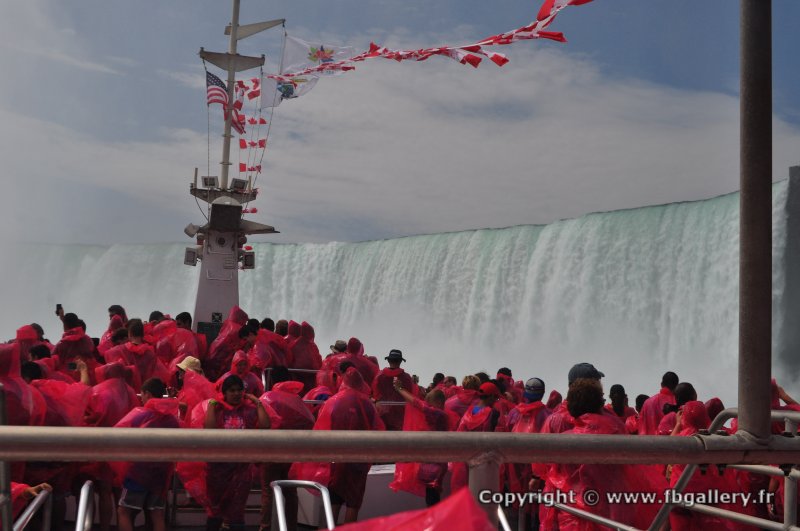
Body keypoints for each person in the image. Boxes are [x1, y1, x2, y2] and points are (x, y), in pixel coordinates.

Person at [291, 367, 384, 524]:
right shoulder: (368, 404)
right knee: (353, 504)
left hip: (337, 459)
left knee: (334, 501)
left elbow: (321, 427)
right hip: (360, 460)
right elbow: (378, 429)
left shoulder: (333, 401)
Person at [204, 375, 270, 531]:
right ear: (224, 392)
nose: (236, 394)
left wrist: (258, 402)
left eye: (239, 390)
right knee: (215, 511)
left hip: (241, 470)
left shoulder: (249, 410)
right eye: (232, 390)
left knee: (237, 511)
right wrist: (212, 407)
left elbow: (266, 425)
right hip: (218, 470)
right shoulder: (217, 409)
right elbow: (209, 430)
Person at [115, 378, 180, 531]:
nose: (141, 398)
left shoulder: (139, 416)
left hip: (138, 472)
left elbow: (122, 437)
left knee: (124, 511)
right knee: (157, 514)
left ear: (148, 394)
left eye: (142, 394)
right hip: (161, 475)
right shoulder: (172, 419)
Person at [390, 379, 456, 507]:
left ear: (438, 403)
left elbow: (419, 404)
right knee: (432, 495)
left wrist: (400, 389)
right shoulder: (441, 416)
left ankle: (435, 523)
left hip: (434, 463)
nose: (428, 408)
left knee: (432, 498)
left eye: (430, 404)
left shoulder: (439, 414)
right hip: (434, 461)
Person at [372, 349, 415, 431]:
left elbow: (375, 396)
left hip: (383, 419)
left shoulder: (379, 377)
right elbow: (411, 397)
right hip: (401, 420)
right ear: (400, 362)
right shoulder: (407, 378)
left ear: (388, 360)